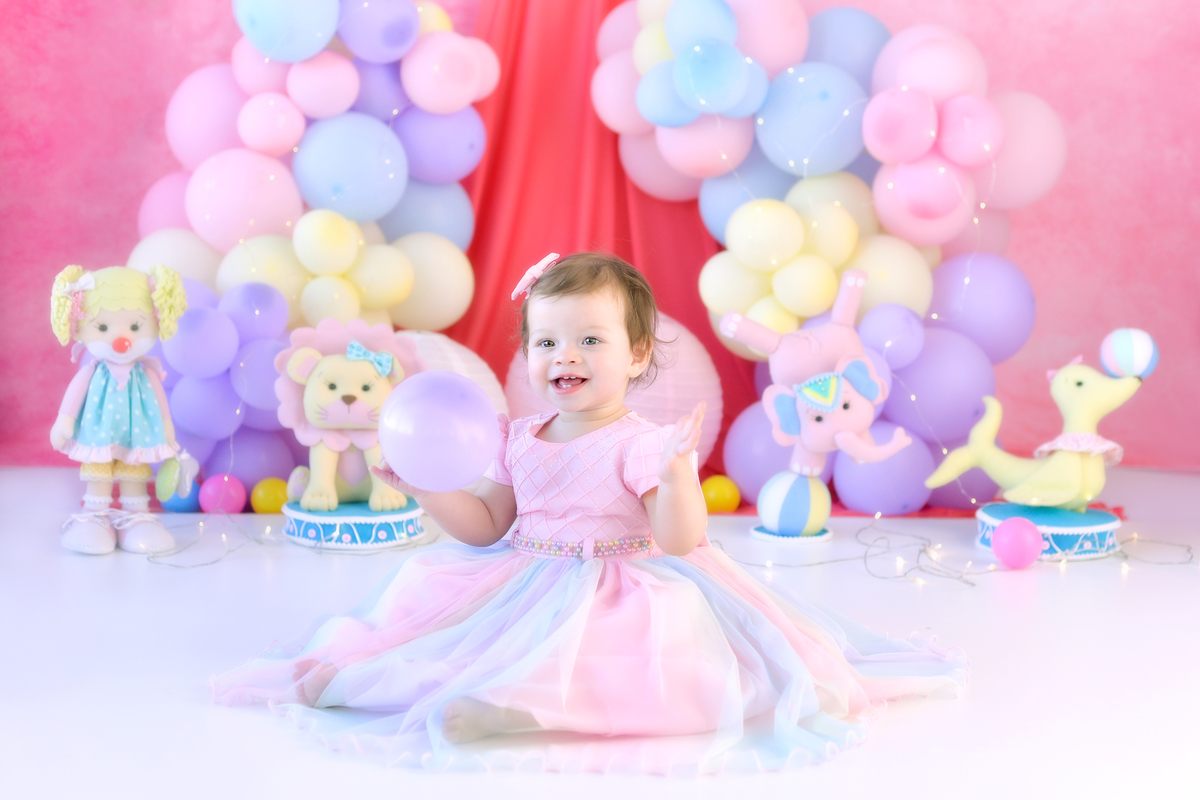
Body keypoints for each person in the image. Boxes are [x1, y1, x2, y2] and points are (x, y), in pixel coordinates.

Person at [210, 252, 967, 773]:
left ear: (636, 356)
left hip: (622, 579)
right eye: (546, 340)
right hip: (526, 575)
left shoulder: (640, 444)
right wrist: (425, 486)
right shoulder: (517, 437)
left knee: (623, 655)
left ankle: (509, 709)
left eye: (589, 340)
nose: (564, 355)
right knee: (442, 627)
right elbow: (487, 527)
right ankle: (403, 680)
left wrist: (675, 478)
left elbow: (681, 541)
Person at [50, 264, 190, 555]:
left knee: (134, 465)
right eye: (102, 328)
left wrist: (166, 428)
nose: (122, 340)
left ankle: (135, 516)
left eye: (136, 327)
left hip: (138, 434)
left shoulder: (147, 373)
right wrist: (64, 422)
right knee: (98, 467)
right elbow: (74, 396)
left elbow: (161, 405)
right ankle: (95, 514)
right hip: (97, 432)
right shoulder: (93, 371)